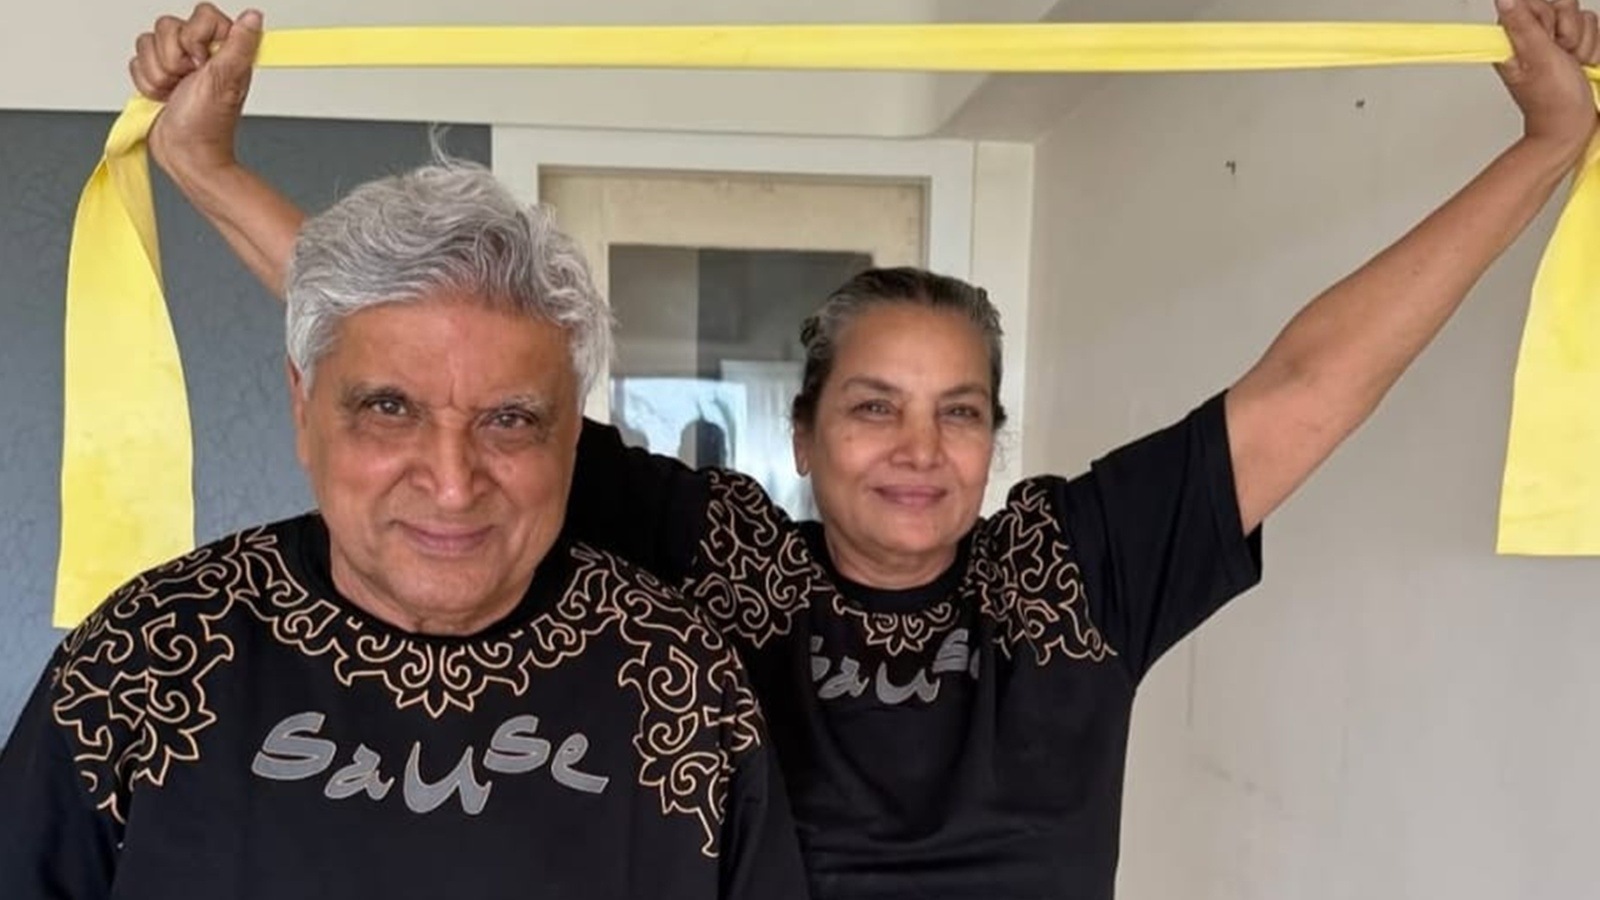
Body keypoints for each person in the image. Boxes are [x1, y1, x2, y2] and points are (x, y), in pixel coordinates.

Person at [123, 2, 1600, 897]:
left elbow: (1308, 381)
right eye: (876, 406)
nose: (918, 446)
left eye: (960, 409)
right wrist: (205, 166)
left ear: (997, 438)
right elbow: (431, 356)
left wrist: (1540, 148)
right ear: (810, 434)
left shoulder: (1071, 568)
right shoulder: (722, 557)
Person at [0, 151, 809, 899]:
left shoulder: (682, 686)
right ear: (303, 407)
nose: (453, 485)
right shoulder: (145, 660)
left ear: (573, 437)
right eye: (390, 409)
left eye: (511, 420)